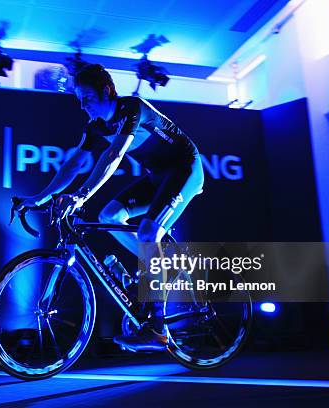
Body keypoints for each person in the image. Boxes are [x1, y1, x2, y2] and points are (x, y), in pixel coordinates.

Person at [17, 64, 204, 350]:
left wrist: (81, 195)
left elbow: (114, 154)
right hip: (159, 175)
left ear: (106, 91)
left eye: (87, 98)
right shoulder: (97, 127)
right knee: (110, 215)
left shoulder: (132, 108)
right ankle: (157, 265)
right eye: (78, 100)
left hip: (185, 169)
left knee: (147, 232)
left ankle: (156, 328)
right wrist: (40, 197)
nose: (82, 106)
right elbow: (75, 163)